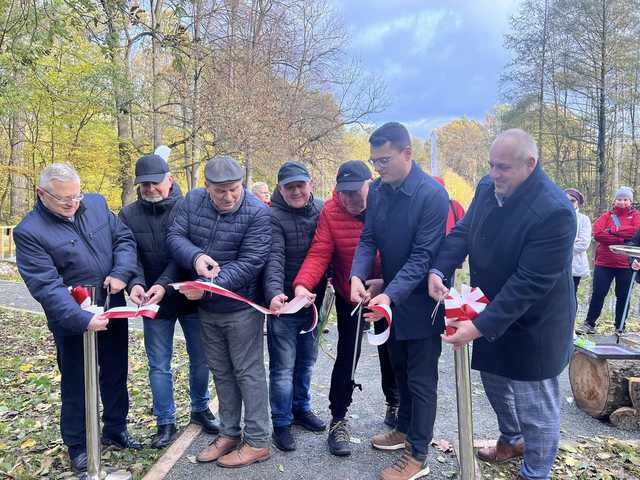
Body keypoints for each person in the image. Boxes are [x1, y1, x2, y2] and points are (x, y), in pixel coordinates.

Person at [429, 129, 576, 480]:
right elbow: (464, 230)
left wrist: (478, 327)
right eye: (491, 165)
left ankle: (535, 471)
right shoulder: (487, 187)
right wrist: (440, 268)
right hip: (491, 308)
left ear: (530, 164)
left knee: (535, 405)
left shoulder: (555, 212)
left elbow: (529, 283)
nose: (494, 174)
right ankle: (511, 439)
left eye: (503, 168)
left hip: (535, 323)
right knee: (495, 382)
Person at [13, 163, 141, 474]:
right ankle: (79, 445)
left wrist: (121, 273)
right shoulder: (30, 232)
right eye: (64, 200)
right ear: (42, 194)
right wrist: (80, 319)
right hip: (72, 319)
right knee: (77, 381)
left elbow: (123, 239)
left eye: (77, 196)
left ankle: (115, 427)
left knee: (114, 370)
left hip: (111, 305)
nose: (74, 204)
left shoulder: (95, 204)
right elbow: (46, 285)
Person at [351, 122, 449, 480]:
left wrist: (389, 294)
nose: (378, 168)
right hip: (390, 300)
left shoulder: (431, 195)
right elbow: (368, 238)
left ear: (407, 153)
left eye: (385, 160)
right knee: (399, 371)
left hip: (422, 301)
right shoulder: (376, 191)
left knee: (421, 380)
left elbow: (423, 257)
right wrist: (357, 276)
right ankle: (403, 429)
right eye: (374, 161)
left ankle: (418, 454)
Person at [167, 155, 272, 468]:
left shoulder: (256, 211)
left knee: (248, 372)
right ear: (206, 186)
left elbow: (252, 262)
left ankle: (257, 441)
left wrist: (208, 285)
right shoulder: (192, 201)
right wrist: (197, 257)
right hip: (207, 309)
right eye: (220, 191)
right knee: (222, 371)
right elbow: (174, 236)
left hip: (241, 308)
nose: (229, 197)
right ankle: (229, 432)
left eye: (235, 189)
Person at [293, 159, 400, 457]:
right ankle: (338, 418)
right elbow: (319, 252)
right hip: (348, 293)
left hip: (386, 290)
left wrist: (385, 284)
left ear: (371, 184)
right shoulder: (330, 210)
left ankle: (395, 403)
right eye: (345, 192)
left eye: (357, 191)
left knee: (390, 349)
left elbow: (404, 252)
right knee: (347, 354)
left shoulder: (389, 204)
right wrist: (302, 284)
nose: (351, 199)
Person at [119, 154, 219, 449]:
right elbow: (128, 255)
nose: (149, 188)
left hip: (189, 295)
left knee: (201, 358)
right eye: (144, 184)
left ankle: (200, 408)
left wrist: (164, 284)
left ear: (170, 180)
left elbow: (186, 251)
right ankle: (165, 421)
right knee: (158, 364)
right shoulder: (127, 214)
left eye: (155, 182)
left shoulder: (190, 206)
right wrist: (136, 283)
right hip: (152, 299)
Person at [263, 161, 326, 451]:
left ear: (310, 184)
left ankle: (301, 408)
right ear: (280, 188)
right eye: (290, 187)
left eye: (301, 185)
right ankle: (282, 421)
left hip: (314, 302)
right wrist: (276, 293)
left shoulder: (323, 210)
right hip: (284, 304)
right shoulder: (272, 216)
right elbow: (274, 259)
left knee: (306, 361)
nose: (297, 191)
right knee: (282, 367)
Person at [577, 187, 640, 334]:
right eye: (619, 199)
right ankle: (589, 324)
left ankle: (620, 327)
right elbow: (598, 234)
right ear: (614, 200)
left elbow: (636, 232)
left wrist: (612, 231)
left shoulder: (636, 216)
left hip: (626, 263)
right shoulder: (606, 216)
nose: (622, 202)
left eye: (625, 199)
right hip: (604, 263)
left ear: (630, 201)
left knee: (623, 296)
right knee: (599, 293)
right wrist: (623, 237)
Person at [564, 188, 591, 302]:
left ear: (578, 203)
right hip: (554, 265)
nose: (569, 203)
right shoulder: (553, 217)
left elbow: (583, 244)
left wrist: (561, 246)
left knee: (570, 296)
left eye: (572, 200)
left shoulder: (584, 220)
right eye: (565, 199)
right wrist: (572, 240)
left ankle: (570, 320)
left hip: (574, 265)